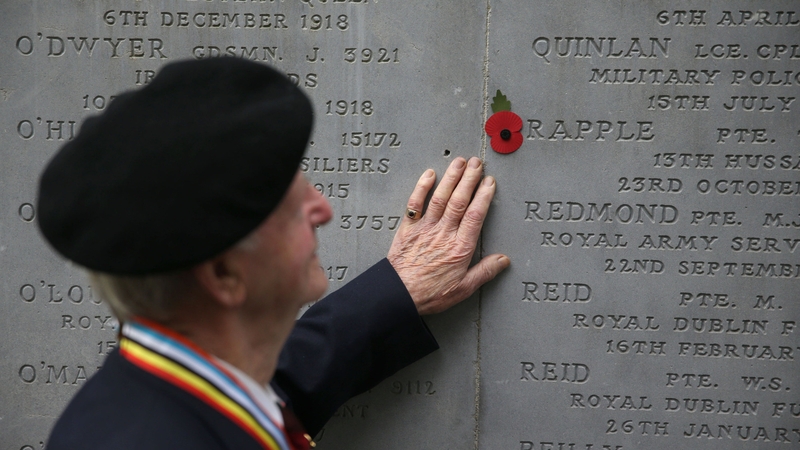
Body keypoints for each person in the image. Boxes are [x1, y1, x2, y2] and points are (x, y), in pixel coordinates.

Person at [38, 58, 509, 450]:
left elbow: (270, 391)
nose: (322, 209)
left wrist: (396, 292)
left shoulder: (175, 397)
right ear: (224, 274)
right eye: (285, 203)